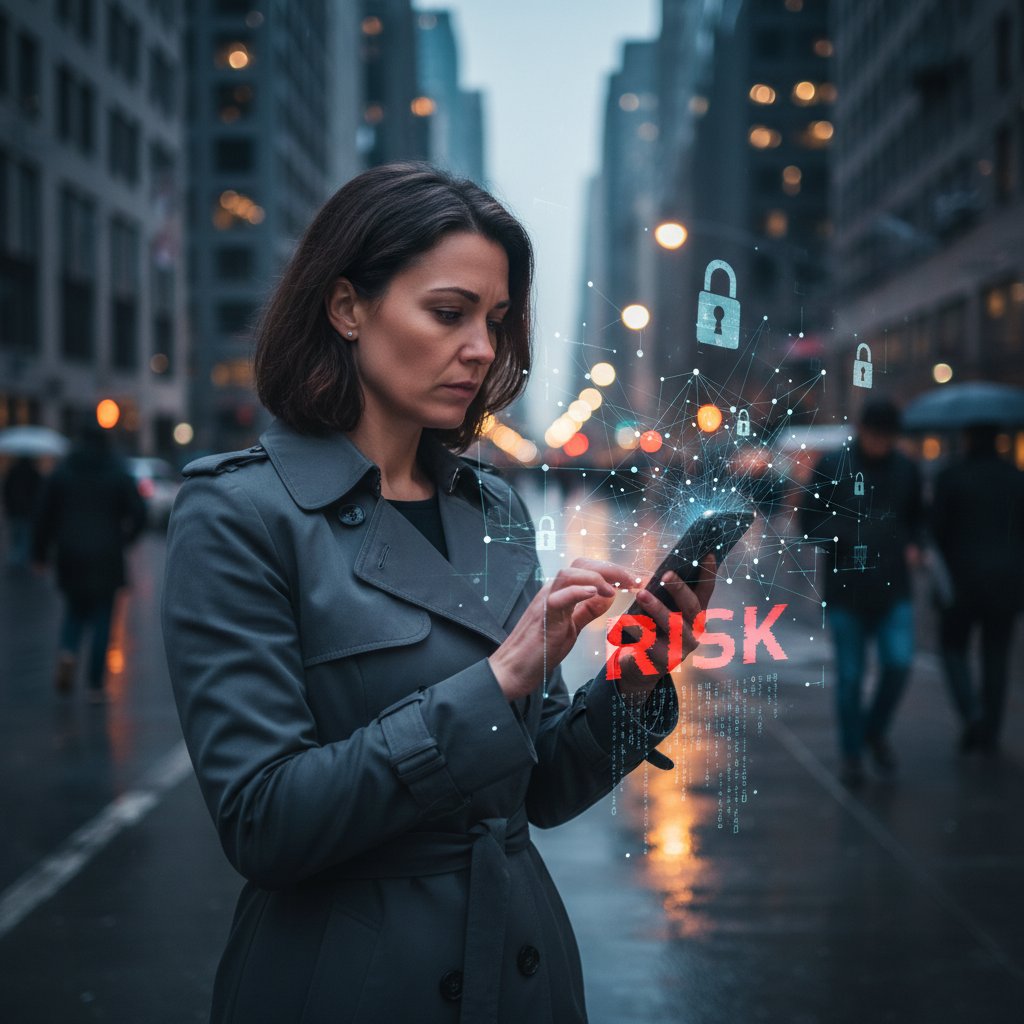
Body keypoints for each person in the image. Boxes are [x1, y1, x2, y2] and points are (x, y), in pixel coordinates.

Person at [161, 163, 715, 1024]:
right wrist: (499, 681)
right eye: (449, 313)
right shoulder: (240, 512)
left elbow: (541, 790)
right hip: (347, 979)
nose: (483, 350)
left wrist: (635, 677)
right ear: (347, 307)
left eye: (495, 322)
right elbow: (265, 822)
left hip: (524, 972)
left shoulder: (484, 502)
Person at [801, 397, 924, 787]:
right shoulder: (833, 465)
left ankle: (872, 731)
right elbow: (808, 522)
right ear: (862, 431)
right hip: (847, 589)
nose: (881, 445)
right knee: (851, 677)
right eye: (876, 436)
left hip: (893, 587)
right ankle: (853, 753)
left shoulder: (906, 469)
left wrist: (915, 543)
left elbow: (919, 516)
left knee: (899, 663)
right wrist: (849, 533)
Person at [33, 424, 146, 701]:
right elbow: (139, 511)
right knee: (102, 617)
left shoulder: (62, 472)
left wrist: (39, 553)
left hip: (70, 551)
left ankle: (68, 652)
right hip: (107, 551)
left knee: (73, 610)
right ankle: (95, 683)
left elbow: (44, 515)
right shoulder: (116, 472)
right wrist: (126, 538)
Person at [930, 423, 1024, 755]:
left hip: (961, 583)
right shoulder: (1016, 478)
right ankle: (991, 730)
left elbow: (936, 532)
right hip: (1008, 583)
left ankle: (972, 713)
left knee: (953, 648)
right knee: (996, 655)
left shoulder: (950, 477)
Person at [3, 455, 43, 568]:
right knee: (25, 536)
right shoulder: (35, 473)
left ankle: (15, 558)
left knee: (16, 535)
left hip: (14, 510)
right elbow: (40, 492)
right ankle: (21, 559)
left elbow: (7, 490)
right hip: (28, 511)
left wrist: (9, 505)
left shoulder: (13, 472)